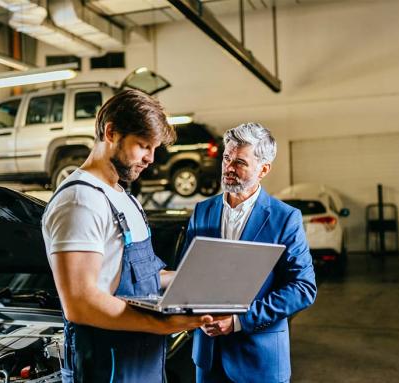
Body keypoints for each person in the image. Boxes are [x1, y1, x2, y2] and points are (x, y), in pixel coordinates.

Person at [42, 90, 226, 383]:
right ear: (111, 132)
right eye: (143, 146)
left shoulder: (125, 198)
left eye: (153, 148)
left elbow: (148, 276)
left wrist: (204, 279)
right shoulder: (79, 200)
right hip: (109, 363)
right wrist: (163, 324)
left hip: (144, 358)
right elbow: (80, 302)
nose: (150, 159)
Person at [184, 122, 317, 383]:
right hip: (208, 359)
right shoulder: (202, 211)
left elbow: (303, 288)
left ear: (264, 169)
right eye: (226, 158)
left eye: (240, 163)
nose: (228, 168)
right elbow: (188, 276)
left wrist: (238, 321)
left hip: (260, 361)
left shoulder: (285, 218)